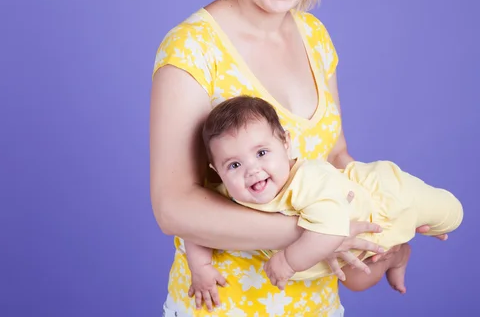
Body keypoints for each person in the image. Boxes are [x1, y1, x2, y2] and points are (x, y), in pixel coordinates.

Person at [149, 0, 445, 315]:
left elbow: (336, 156)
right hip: (224, 305)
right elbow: (174, 208)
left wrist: (384, 218)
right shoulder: (192, 50)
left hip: (317, 302)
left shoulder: (314, 37)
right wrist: (319, 231)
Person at [184, 95, 463, 306]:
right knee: (357, 279)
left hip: (379, 203)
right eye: (233, 165)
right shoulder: (230, 192)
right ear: (217, 171)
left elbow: (330, 228)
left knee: (450, 213)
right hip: (344, 249)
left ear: (286, 144)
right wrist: (202, 268)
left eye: (261, 153)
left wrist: (288, 262)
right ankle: (397, 257)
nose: (251, 170)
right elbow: (196, 226)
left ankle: (428, 223)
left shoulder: (308, 180)